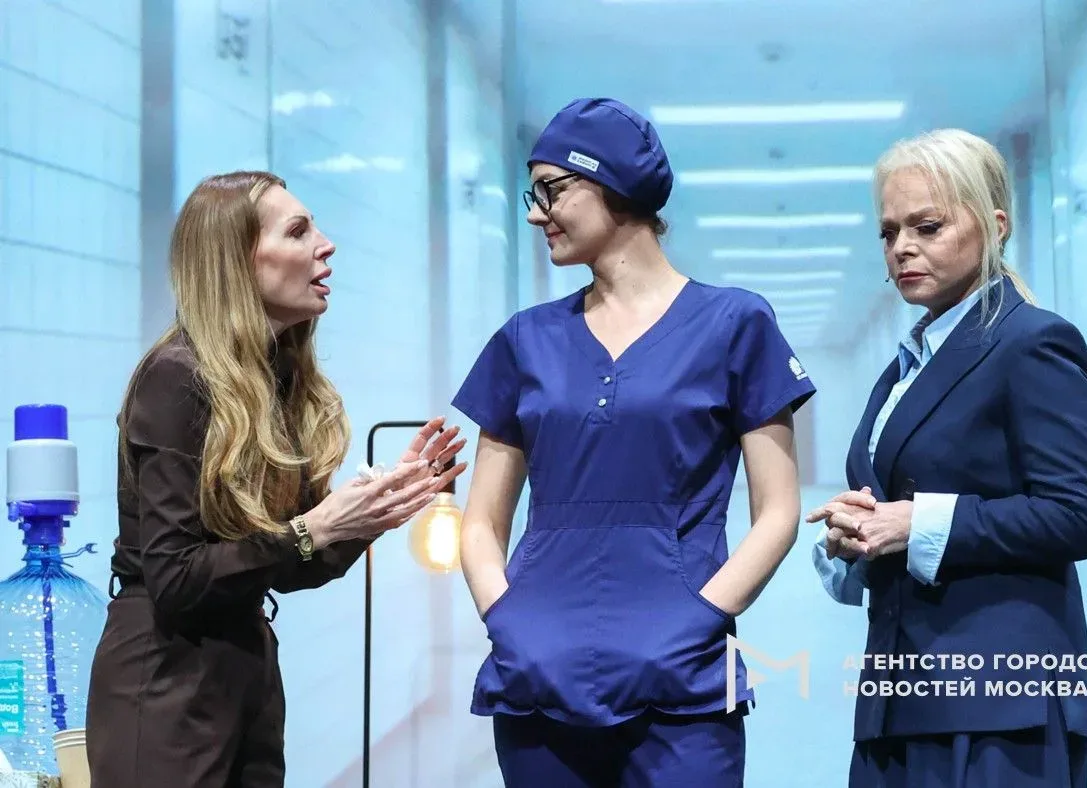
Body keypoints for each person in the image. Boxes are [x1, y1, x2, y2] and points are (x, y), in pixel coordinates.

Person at [451, 97, 817, 787]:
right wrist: (507, 617)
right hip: (536, 675)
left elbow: (778, 511)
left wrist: (701, 616)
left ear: (612, 182)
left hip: (685, 678)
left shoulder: (735, 324)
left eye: (551, 190)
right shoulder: (524, 340)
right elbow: (481, 523)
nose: (535, 214)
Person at [85, 170, 467, 788]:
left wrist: (368, 516)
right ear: (238, 260)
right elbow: (176, 579)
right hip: (165, 680)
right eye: (298, 231)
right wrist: (312, 528)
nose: (326, 245)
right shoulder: (175, 378)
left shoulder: (274, 382)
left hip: (245, 672)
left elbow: (291, 568)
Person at [805, 129, 1087, 787]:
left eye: (928, 226)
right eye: (888, 232)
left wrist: (917, 523)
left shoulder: (1033, 342)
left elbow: (1075, 516)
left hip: (1000, 704)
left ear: (995, 226)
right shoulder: (907, 365)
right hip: (899, 692)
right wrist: (856, 535)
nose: (902, 248)